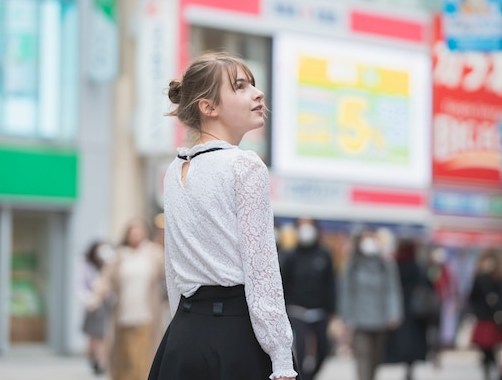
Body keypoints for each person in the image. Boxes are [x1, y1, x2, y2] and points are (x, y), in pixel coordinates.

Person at [148, 52, 297, 380]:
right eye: (241, 87)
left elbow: (173, 269)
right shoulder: (245, 165)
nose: (258, 94)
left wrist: (181, 326)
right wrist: (281, 356)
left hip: (184, 336)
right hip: (235, 336)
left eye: (253, 86)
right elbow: (261, 270)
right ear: (209, 107)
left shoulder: (174, 171)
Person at [87, 218, 166, 380]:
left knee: (145, 359)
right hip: (124, 315)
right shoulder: (120, 256)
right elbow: (105, 280)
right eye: (132, 231)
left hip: (147, 315)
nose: (136, 235)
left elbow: (169, 274)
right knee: (124, 360)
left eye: (139, 231)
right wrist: (95, 299)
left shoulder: (154, 253)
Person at [339, 226, 403, 380]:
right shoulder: (352, 265)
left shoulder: (386, 263)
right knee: (363, 357)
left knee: (376, 358)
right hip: (359, 320)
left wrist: (394, 313)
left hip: (381, 319)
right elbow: (346, 292)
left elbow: (392, 289)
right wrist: (346, 318)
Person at [281, 217, 336, 380]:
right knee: (301, 349)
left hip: (319, 311)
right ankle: (302, 376)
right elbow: (284, 282)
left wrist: (332, 310)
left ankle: (310, 375)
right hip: (296, 310)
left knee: (324, 349)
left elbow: (330, 283)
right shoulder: (290, 255)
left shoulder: (324, 254)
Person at [384, 239, 434, 380]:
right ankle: (410, 366)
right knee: (413, 343)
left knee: (402, 341)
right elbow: (429, 287)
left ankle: (403, 362)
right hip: (416, 312)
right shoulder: (418, 268)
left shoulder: (395, 266)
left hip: (400, 310)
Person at [468, 250, 502, 380]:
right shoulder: (479, 278)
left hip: (495, 318)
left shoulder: (499, 278)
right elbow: (473, 297)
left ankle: (495, 369)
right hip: (483, 318)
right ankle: (488, 369)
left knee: (493, 348)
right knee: (485, 348)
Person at [80, 240, 115, 376]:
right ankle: (95, 358)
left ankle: (102, 361)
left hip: (108, 304)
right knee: (95, 334)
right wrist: (89, 300)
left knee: (103, 335)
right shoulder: (88, 267)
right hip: (93, 305)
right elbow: (81, 286)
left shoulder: (110, 266)